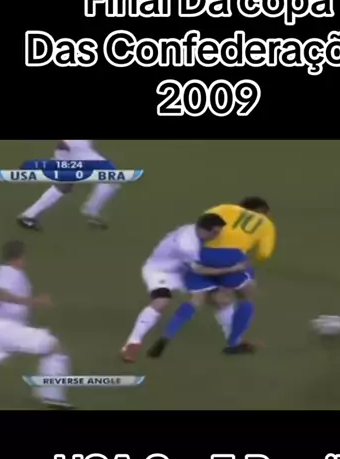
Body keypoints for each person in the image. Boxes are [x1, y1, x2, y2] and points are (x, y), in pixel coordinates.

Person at [147, 197, 276, 358]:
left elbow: (202, 224)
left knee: (196, 300)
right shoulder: (265, 223)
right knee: (247, 296)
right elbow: (264, 254)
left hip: (202, 254)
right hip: (232, 256)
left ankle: (166, 337)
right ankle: (233, 344)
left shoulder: (223, 208)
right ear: (262, 211)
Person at [121, 213, 247, 363]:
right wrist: (233, 269)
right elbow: (200, 270)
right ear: (204, 229)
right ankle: (132, 344)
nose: (218, 235)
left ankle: (234, 341)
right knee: (161, 302)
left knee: (221, 299)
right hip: (161, 271)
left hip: (183, 270)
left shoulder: (195, 231)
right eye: (215, 232)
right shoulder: (187, 244)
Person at [0, 240, 73, 409]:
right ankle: (52, 395)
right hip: (4, 328)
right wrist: (33, 302)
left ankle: (48, 393)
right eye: (25, 256)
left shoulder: (6, 272)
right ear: (18, 257)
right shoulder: (9, 271)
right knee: (54, 347)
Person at [17, 139, 120, 230]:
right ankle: (91, 211)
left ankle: (28, 215)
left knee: (65, 184)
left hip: (68, 148)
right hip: (77, 146)